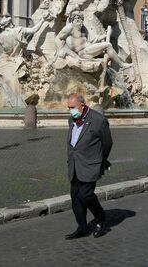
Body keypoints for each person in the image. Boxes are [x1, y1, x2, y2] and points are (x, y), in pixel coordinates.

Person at [65, 93, 113, 239]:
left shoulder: (98, 120)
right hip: (74, 164)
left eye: (72, 107)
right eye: (68, 107)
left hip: (91, 164)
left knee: (85, 195)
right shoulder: (72, 119)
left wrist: (101, 160)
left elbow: (107, 143)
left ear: (82, 105)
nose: (70, 110)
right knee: (75, 197)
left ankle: (100, 217)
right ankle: (82, 227)